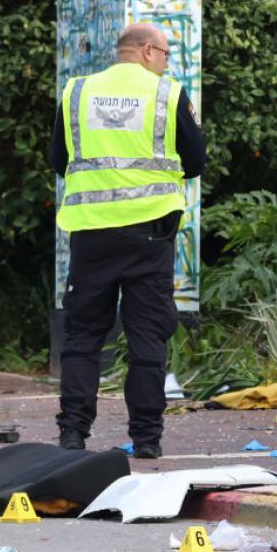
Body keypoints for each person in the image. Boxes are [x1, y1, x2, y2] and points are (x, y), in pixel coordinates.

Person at [50, 22, 205, 459]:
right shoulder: (167, 95)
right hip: (150, 234)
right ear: (148, 51)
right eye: (167, 54)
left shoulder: (76, 92)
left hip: (91, 231)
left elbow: (59, 160)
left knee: (82, 334)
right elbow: (195, 162)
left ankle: (73, 435)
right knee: (147, 336)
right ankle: (147, 440)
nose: (167, 63)